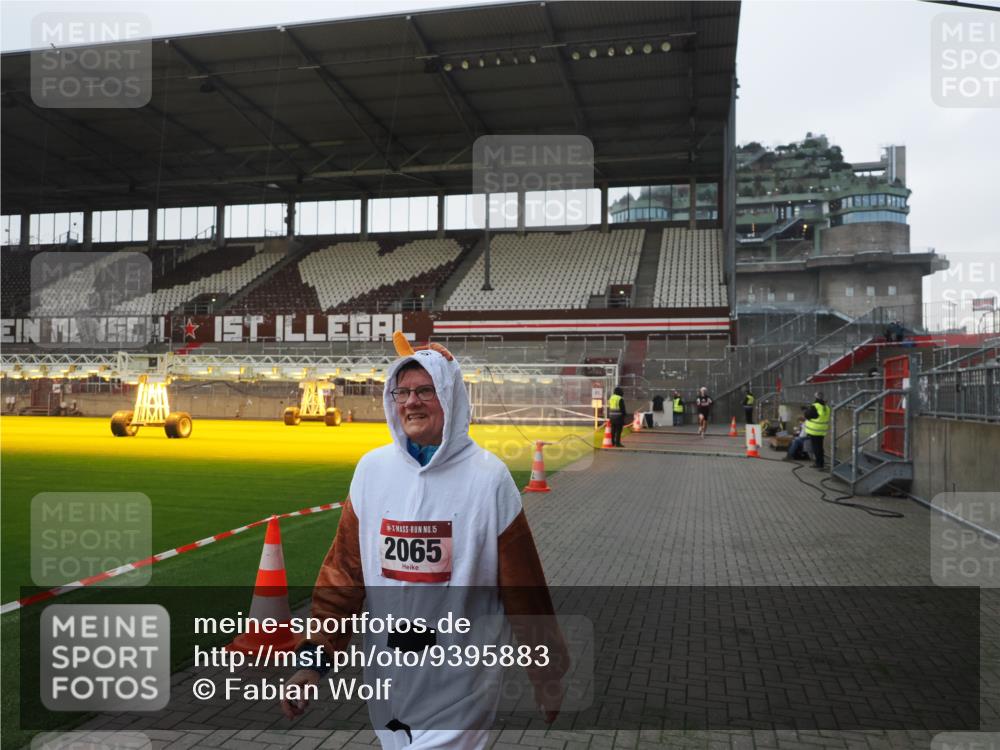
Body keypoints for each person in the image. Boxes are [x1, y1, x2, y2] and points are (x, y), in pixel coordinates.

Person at [281, 335, 568, 748]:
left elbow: (525, 589)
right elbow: (342, 575)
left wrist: (547, 673)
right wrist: (313, 664)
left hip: (462, 685)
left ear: (450, 397)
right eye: (403, 391)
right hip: (389, 685)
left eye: (426, 391)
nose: (411, 402)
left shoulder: (489, 479)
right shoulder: (371, 471)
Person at [802, 391, 830, 469]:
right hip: (822, 430)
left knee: (816, 448)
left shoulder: (815, 406)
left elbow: (808, 415)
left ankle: (819, 464)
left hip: (814, 430)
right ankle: (821, 463)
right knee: (820, 447)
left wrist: (806, 411)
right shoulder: (826, 407)